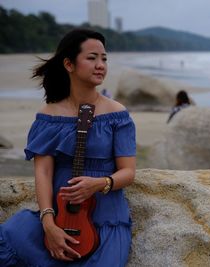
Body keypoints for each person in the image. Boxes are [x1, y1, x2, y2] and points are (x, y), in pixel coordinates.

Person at [0, 29, 136, 266]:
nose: (100, 65)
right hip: (58, 218)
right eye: (92, 58)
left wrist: (99, 184)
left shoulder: (117, 115)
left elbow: (128, 172)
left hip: (106, 221)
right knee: (11, 240)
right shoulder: (48, 116)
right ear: (69, 64)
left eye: (104, 58)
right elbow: (43, 173)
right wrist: (48, 225)